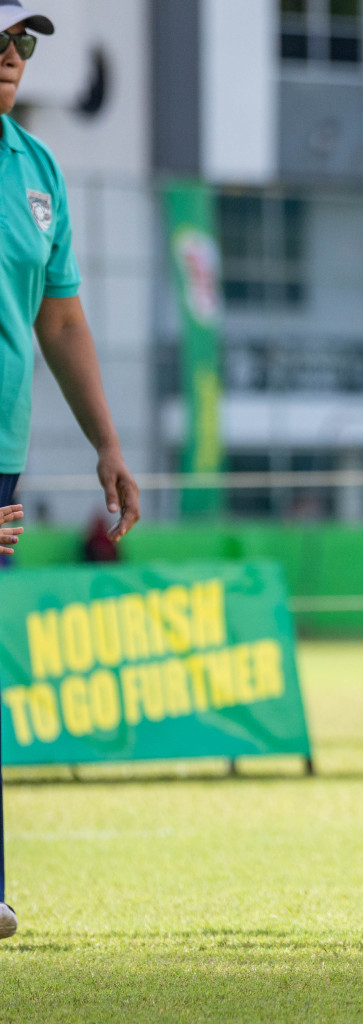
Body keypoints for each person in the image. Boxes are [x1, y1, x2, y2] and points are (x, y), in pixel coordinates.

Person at [0, 0, 141, 942]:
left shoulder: (34, 166)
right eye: (0, 38)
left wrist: (107, 441)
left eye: (20, 41)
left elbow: (60, 318)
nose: (13, 55)